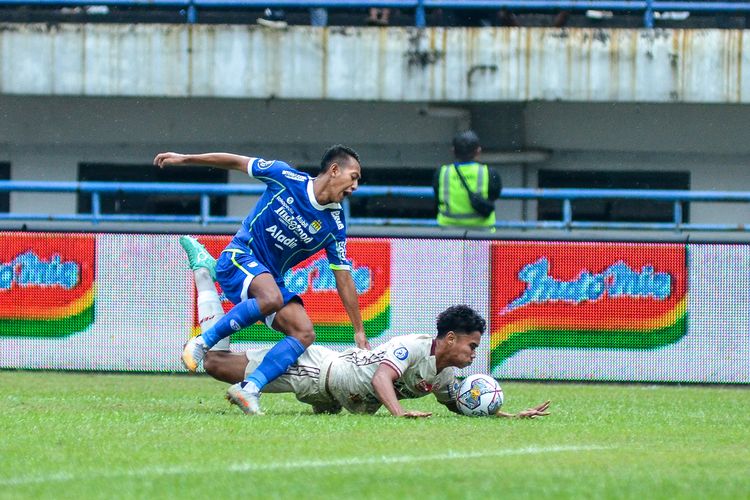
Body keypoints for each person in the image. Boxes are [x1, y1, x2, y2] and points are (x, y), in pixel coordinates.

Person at [181, 241, 550, 418]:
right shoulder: (414, 347)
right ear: (450, 338)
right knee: (214, 363)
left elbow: (459, 402)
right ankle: (205, 273)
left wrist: (508, 415)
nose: (474, 354)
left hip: (331, 395)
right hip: (314, 370)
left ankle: (208, 277)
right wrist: (397, 413)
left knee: (221, 363)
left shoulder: (445, 374)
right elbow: (381, 379)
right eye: (471, 346)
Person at [153, 145, 368, 415]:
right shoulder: (285, 177)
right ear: (334, 170)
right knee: (271, 297)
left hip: (268, 280)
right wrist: (186, 158)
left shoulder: (334, 225)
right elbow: (236, 162)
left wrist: (358, 330)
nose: (355, 186)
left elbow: (343, 276)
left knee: (304, 333)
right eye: (354, 176)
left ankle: (249, 388)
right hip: (238, 257)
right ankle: (201, 341)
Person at [433, 130, 502, 229]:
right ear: (478, 151)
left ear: (453, 151)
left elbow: (437, 197)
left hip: (448, 233)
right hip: (481, 233)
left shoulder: (442, 173)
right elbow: (494, 195)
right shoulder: (489, 173)